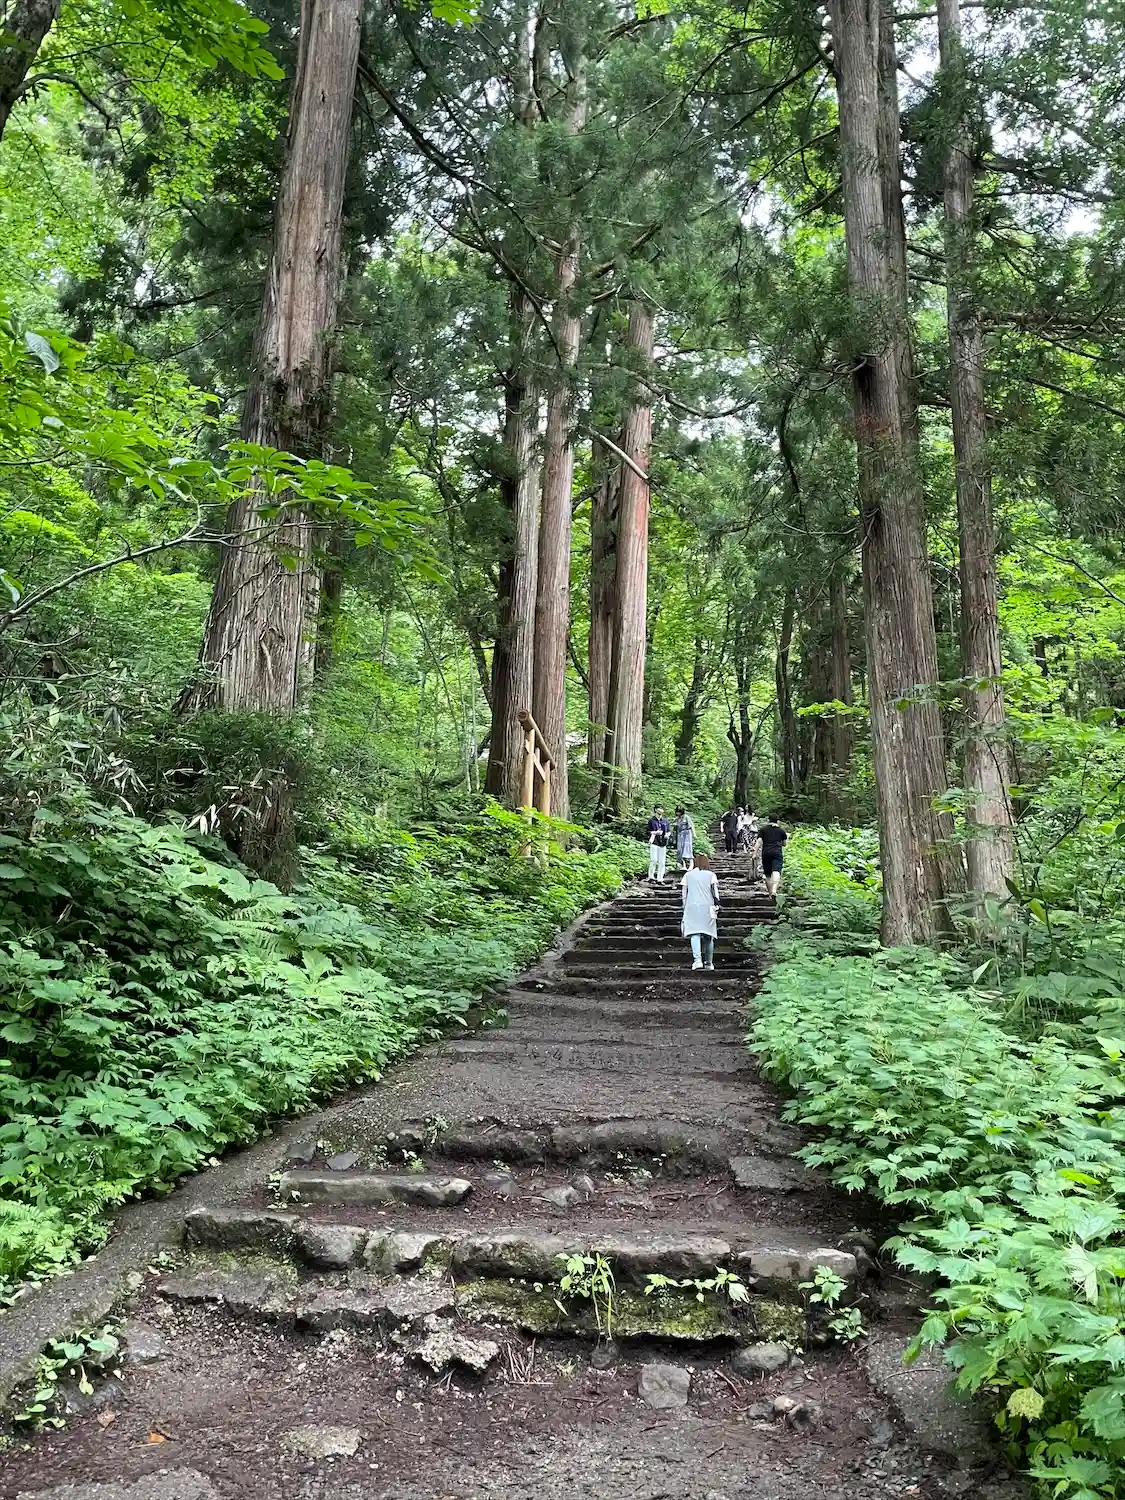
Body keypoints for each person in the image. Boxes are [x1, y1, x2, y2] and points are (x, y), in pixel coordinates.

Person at [681, 854, 720, 970]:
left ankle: (697, 961)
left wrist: (684, 908)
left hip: (692, 906)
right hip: (708, 907)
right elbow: (715, 893)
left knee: (694, 933)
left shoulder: (688, 875)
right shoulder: (711, 875)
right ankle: (709, 963)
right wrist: (717, 905)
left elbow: (684, 894)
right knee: (709, 935)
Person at [759, 812, 788, 897]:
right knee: (776, 871)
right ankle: (774, 890)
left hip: (766, 853)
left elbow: (759, 841)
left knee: (768, 874)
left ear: (768, 820)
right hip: (777, 852)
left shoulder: (763, 829)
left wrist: (754, 853)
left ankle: (770, 893)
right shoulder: (781, 831)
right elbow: (784, 844)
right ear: (777, 821)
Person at [646, 805, 670, 883]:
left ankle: (660, 878)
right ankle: (651, 877)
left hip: (663, 843)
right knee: (653, 860)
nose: (661, 810)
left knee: (662, 862)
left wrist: (667, 835)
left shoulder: (665, 821)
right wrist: (655, 832)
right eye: (659, 808)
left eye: (662, 808)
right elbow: (647, 831)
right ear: (655, 810)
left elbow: (669, 831)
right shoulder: (651, 821)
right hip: (654, 842)